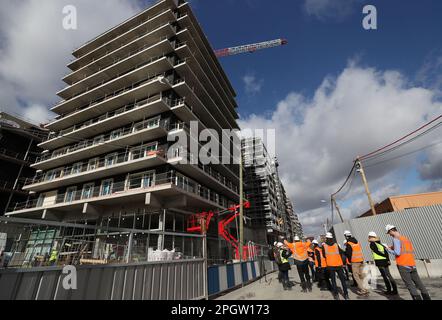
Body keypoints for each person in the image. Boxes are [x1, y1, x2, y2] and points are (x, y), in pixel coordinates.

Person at [385, 224, 431, 300]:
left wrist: (388, 249)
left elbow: (397, 252)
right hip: (412, 264)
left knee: (410, 285)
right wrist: (392, 246)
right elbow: (408, 249)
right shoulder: (405, 238)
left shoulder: (395, 239)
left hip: (403, 265)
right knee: (419, 284)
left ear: (391, 231)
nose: (389, 235)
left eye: (389, 233)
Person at [368, 231, 398, 295]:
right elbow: (386, 252)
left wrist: (383, 256)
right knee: (389, 275)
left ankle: (389, 290)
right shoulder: (380, 244)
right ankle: (395, 290)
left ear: (370, 237)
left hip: (380, 262)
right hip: (385, 261)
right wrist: (388, 259)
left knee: (385, 276)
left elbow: (377, 252)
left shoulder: (372, 244)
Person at [322, 232, 349, 300]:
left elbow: (324, 255)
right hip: (339, 265)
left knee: (333, 281)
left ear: (326, 238)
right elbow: (341, 253)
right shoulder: (336, 245)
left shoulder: (324, 246)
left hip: (330, 265)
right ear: (332, 238)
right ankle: (346, 295)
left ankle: (336, 295)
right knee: (343, 280)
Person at [344, 230, 369, 296]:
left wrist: (344, 253)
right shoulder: (357, 242)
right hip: (361, 260)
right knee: (362, 275)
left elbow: (349, 254)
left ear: (346, 236)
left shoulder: (349, 243)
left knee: (356, 276)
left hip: (355, 262)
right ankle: (366, 288)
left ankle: (363, 290)